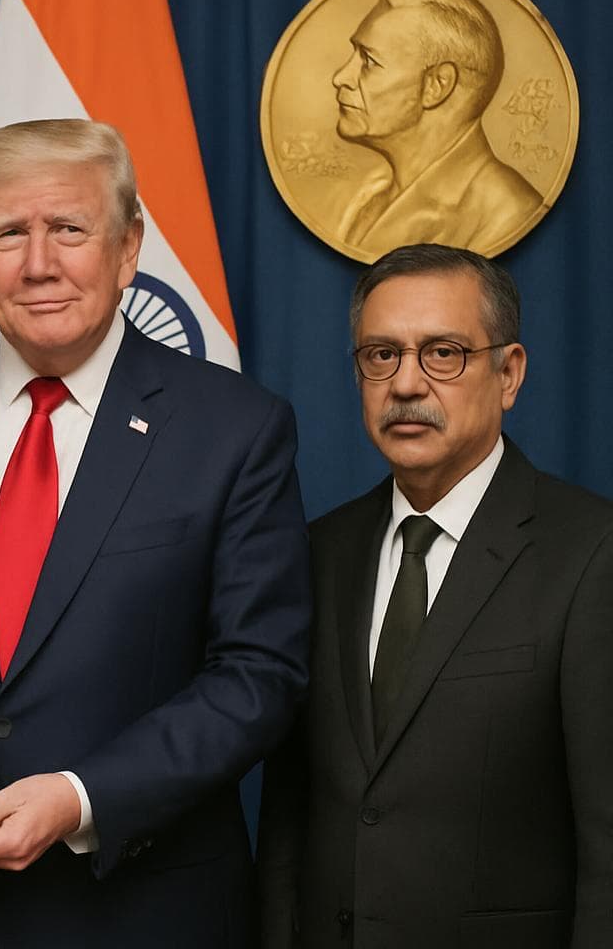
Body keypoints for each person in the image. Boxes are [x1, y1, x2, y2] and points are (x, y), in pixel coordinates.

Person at [0, 119, 312, 947]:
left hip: (134, 910)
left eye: (69, 229)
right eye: (8, 234)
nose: (39, 264)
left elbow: (259, 676)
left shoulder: (235, 429)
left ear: (128, 244)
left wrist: (81, 797)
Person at [258, 243, 613, 948]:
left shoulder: (591, 552)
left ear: (508, 373)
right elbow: (289, 818)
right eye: (381, 355)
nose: (406, 384)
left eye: (443, 353)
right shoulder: (318, 550)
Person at [331, 0, 542, 255]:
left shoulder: (506, 212)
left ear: (437, 85)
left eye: (369, 61)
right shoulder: (366, 200)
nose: (340, 78)